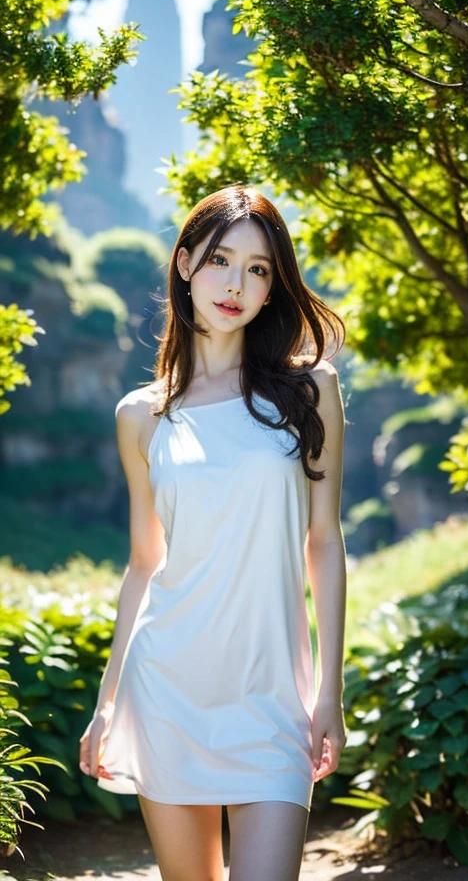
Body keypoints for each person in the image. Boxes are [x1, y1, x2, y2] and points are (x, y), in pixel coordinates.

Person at [78, 183, 348, 881]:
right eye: (222, 260)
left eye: (258, 269)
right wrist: (107, 706)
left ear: (272, 288)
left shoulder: (309, 391)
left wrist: (328, 695)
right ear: (187, 263)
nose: (236, 283)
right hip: (168, 690)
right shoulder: (141, 415)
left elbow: (324, 541)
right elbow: (145, 565)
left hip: (272, 703)